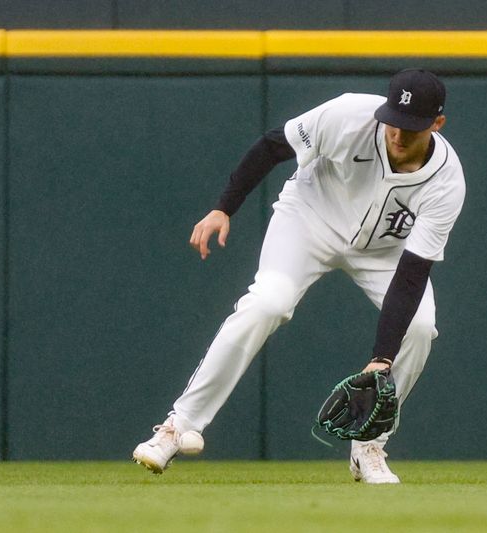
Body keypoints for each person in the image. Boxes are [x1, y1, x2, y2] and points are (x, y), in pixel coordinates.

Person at [133, 68, 466, 484]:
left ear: (437, 124)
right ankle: (177, 427)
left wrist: (381, 359)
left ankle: (369, 446)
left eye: (411, 128)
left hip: (385, 251)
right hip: (310, 219)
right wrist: (223, 207)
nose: (397, 135)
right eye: (393, 123)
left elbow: (412, 275)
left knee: (419, 328)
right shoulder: (347, 115)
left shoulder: (447, 182)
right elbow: (273, 146)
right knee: (268, 302)